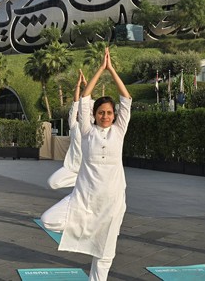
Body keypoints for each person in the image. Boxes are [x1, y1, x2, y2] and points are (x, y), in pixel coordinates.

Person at [40, 48, 131, 281]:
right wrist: (101, 69)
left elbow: (126, 99)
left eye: (109, 113)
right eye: (101, 112)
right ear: (95, 115)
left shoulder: (119, 131)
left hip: (112, 202)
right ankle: (82, 232)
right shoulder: (87, 130)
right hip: (84, 199)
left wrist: (112, 70)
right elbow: (84, 101)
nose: (105, 116)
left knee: (105, 253)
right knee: (49, 219)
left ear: (114, 115)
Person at [47, 69, 85, 189]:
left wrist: (86, 84)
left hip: (88, 167)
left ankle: (84, 183)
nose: (80, 113)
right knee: (53, 183)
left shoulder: (91, 125)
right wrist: (78, 85)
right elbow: (75, 103)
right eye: (78, 112)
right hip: (72, 167)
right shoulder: (74, 125)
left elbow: (88, 100)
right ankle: (80, 181)